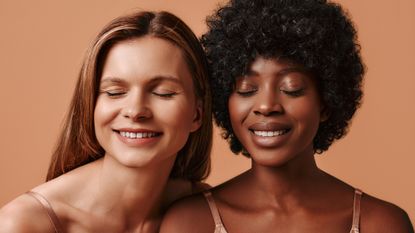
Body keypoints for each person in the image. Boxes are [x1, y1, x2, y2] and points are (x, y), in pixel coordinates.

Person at [160, 0, 414, 232]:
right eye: (247, 89)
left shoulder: (381, 224)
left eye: (291, 88)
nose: (267, 105)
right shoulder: (191, 222)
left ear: (325, 103)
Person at [0, 10, 212, 233]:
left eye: (163, 93)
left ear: (197, 115)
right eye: (114, 92)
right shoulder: (22, 224)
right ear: (91, 105)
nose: (135, 111)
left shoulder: (209, 212)